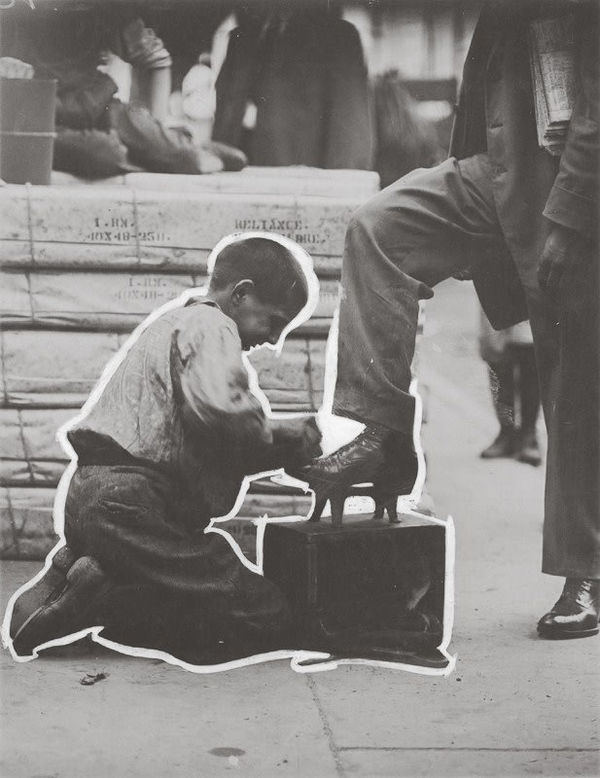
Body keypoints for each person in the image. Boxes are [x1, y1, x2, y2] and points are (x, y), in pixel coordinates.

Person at [302, 0, 599, 639]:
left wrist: (571, 219)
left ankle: (587, 574)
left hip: (576, 195)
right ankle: (381, 433)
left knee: (573, 391)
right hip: (497, 176)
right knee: (379, 229)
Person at [6, 236, 322, 663]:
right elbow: (222, 411)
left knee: (175, 579)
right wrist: (291, 436)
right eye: (273, 322)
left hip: (91, 499)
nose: (272, 340)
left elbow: (212, 442)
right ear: (241, 293)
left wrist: (283, 453)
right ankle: (104, 598)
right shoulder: (212, 327)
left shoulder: (172, 324)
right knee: (264, 611)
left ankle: (82, 571)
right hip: (134, 507)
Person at [479, 315, 542, 466]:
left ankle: (529, 435)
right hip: (497, 304)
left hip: (528, 314)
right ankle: (506, 434)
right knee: (498, 366)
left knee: (531, 366)